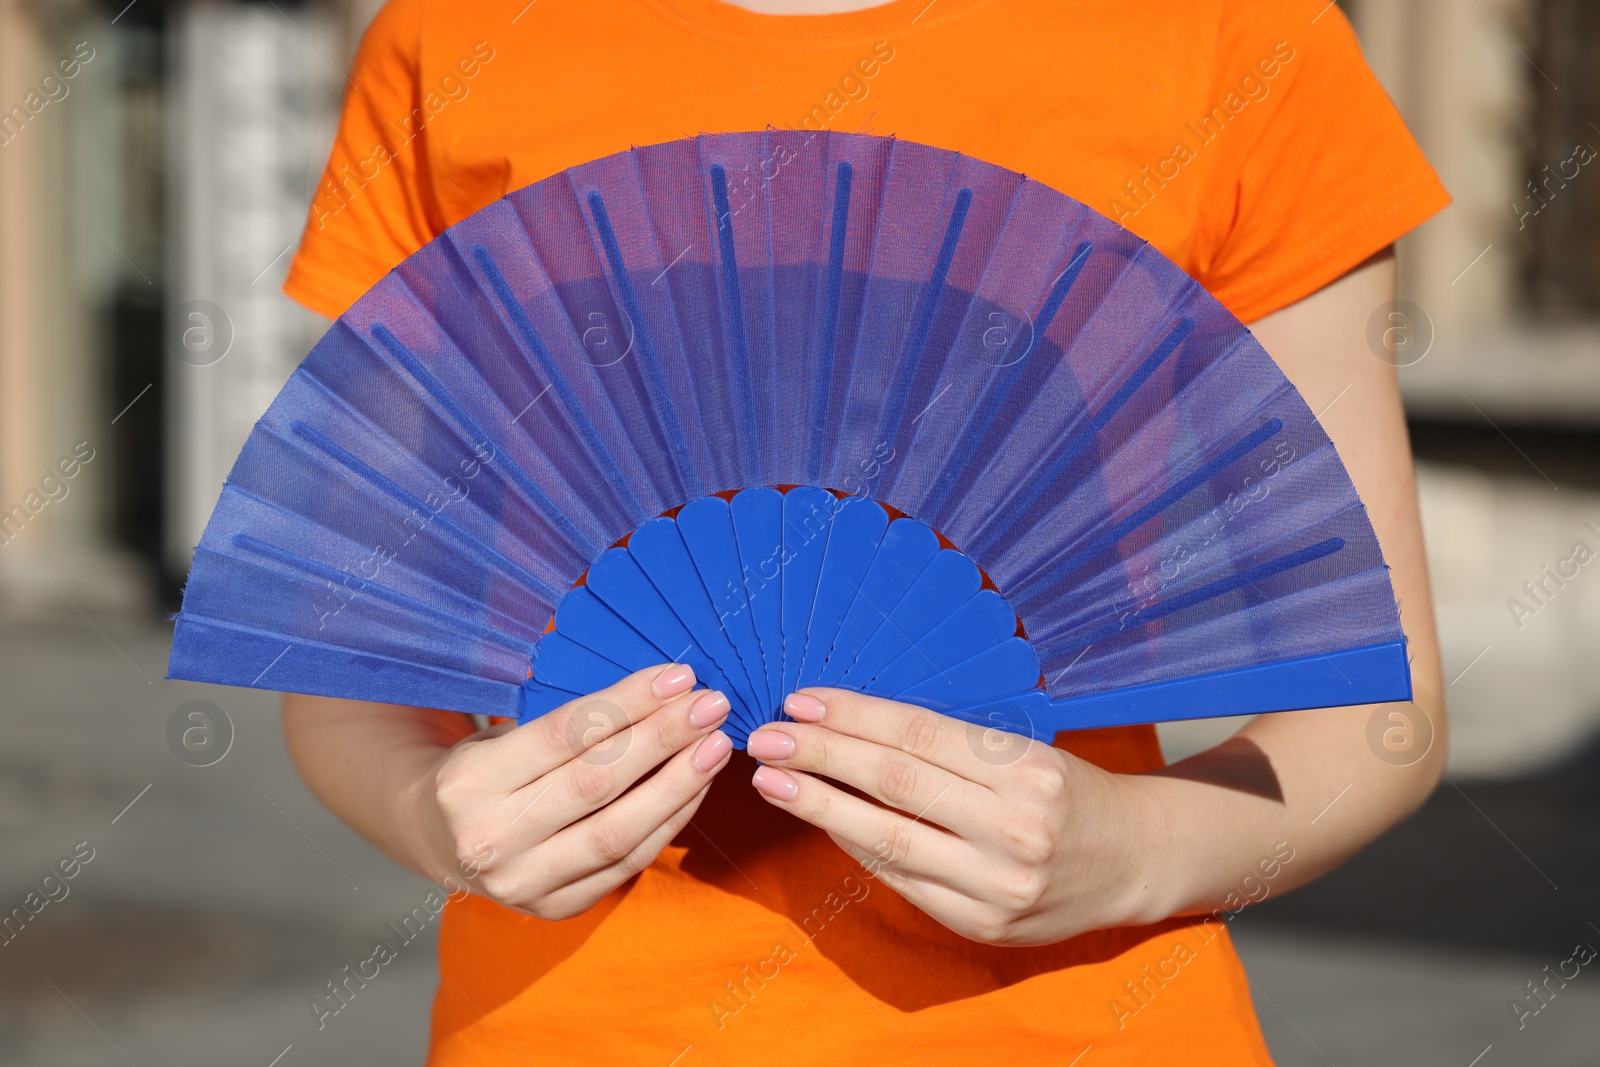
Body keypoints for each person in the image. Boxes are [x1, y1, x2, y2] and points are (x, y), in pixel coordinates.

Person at [281, 0, 1449, 1062]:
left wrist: (1133, 847)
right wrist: (435, 816)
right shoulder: (455, 33)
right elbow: (349, 673)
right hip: (567, 1025)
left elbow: (1373, 713)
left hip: (1078, 1025)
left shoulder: (1225, 36)